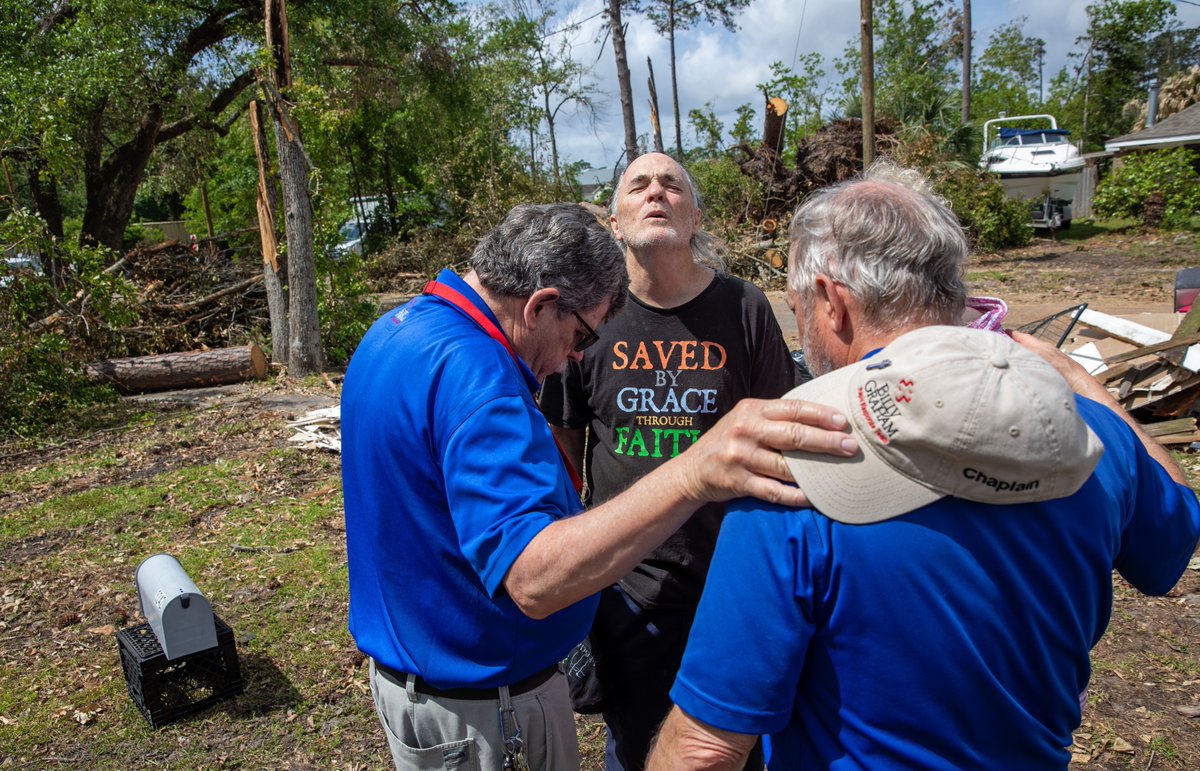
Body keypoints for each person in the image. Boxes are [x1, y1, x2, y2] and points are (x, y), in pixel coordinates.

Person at [646, 167, 1200, 770]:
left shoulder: (795, 467)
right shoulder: (1090, 437)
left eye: (800, 304)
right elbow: (1172, 539)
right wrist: (1084, 384)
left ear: (834, 304)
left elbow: (703, 753)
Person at [340, 203, 856, 770]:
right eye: (580, 335)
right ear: (539, 306)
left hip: (421, 681)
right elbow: (534, 579)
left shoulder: (402, 329)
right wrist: (693, 472)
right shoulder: (482, 386)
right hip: (487, 710)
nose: (575, 360)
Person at [542, 152, 797, 770]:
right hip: (631, 589)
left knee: (736, 753)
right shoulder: (589, 318)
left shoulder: (745, 308)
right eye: (638, 185)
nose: (656, 192)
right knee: (636, 749)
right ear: (614, 220)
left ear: (696, 215)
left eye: (672, 185)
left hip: (734, 580)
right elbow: (564, 441)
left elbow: (779, 434)